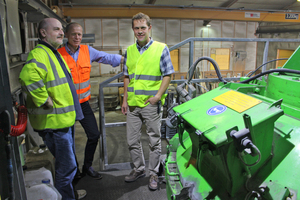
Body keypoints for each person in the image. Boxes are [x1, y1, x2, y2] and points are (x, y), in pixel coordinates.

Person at [19, 18, 86, 200]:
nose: (61, 33)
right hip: (54, 123)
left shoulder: (52, 53)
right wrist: (43, 99)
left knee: (68, 165)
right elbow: (28, 76)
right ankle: (67, 197)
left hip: (61, 121)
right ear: (43, 33)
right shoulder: (40, 53)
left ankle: (68, 193)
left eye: (61, 29)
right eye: (56, 29)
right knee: (67, 167)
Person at [58, 22, 124, 179]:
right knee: (68, 142)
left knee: (94, 135)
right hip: (65, 105)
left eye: (80, 34)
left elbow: (106, 57)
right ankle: (73, 172)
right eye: (74, 34)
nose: (77, 37)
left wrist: (128, 59)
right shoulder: (58, 54)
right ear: (66, 35)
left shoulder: (88, 51)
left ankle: (87, 166)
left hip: (83, 104)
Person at [121, 12, 174, 190]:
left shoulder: (161, 48)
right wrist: (125, 100)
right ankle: (139, 169)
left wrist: (158, 96)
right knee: (132, 140)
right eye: (136, 28)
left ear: (149, 28)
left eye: (143, 27)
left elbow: (168, 74)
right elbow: (127, 76)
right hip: (133, 104)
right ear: (133, 30)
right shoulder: (129, 50)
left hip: (150, 104)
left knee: (154, 140)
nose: (140, 31)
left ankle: (153, 173)